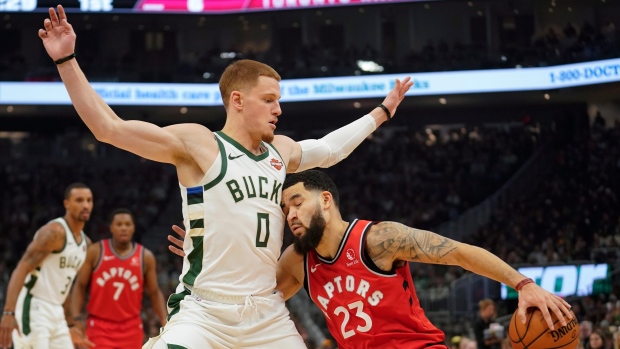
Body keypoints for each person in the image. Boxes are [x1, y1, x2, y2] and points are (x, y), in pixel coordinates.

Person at [38, 6, 413, 348]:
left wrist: (381, 112)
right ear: (237, 100)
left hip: (266, 313)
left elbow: (331, 150)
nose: (278, 109)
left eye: (278, 100)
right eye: (268, 100)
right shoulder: (200, 144)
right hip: (205, 311)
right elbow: (110, 128)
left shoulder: (279, 151)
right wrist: (66, 59)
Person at [274, 170, 573, 348]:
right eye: (286, 209)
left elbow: (459, 252)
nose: (291, 215)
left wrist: (522, 284)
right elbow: (259, 302)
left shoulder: (377, 239)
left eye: (298, 203)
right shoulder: (296, 261)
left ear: (326, 200)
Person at [0, 183, 95, 349]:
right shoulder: (54, 232)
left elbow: (63, 286)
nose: (85, 205)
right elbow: (22, 267)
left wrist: (71, 325)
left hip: (56, 311)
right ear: (67, 204)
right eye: (79, 200)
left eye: (89, 200)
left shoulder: (86, 244)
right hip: (34, 306)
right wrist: (9, 312)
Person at [71, 208, 168, 348]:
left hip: (131, 328)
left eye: (128, 224)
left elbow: (154, 292)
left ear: (133, 228)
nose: (124, 228)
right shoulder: (95, 251)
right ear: (111, 227)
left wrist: (165, 321)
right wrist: (76, 318)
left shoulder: (145, 257)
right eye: (119, 224)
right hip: (99, 326)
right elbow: (79, 286)